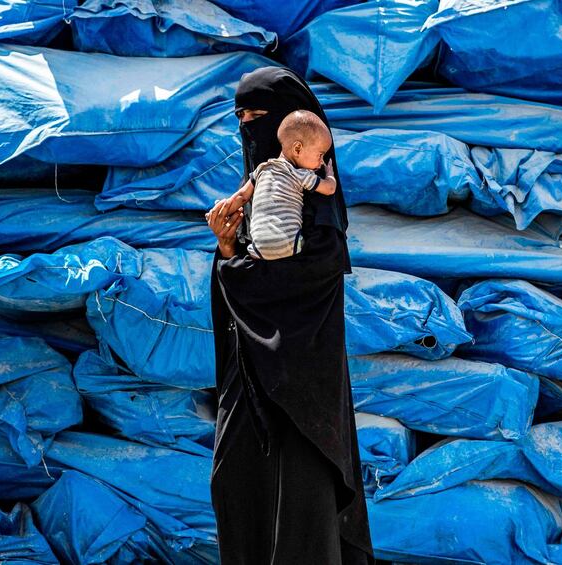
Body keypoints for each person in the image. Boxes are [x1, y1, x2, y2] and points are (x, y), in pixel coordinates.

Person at [206, 66, 374, 565]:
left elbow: (303, 277)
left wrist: (238, 265)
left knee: (301, 510)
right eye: (241, 118)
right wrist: (227, 246)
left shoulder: (321, 211)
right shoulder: (258, 193)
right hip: (249, 377)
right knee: (235, 487)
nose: (249, 128)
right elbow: (237, 278)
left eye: (259, 117)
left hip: (304, 388)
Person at [232, 109, 337, 260]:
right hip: (291, 245)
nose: (321, 162)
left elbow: (242, 196)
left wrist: (223, 206)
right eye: (320, 155)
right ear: (298, 148)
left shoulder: (262, 169)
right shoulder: (300, 174)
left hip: (257, 249)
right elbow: (330, 189)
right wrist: (329, 175)